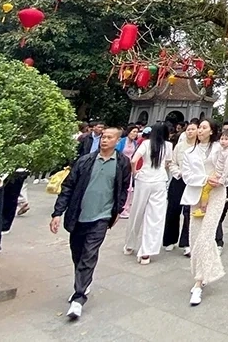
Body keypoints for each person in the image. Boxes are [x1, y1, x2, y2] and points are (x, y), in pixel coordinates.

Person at [50, 127, 131, 320]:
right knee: (77, 253)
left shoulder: (122, 163)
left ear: (117, 141)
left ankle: (78, 297)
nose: (105, 140)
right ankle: (84, 282)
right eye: (103, 137)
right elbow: (68, 186)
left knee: (89, 254)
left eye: (110, 137)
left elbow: (123, 188)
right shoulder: (85, 161)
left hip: (102, 217)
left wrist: (118, 210)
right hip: (79, 215)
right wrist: (57, 213)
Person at [180, 120, 228, 306]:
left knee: (205, 235)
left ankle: (198, 283)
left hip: (216, 194)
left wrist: (223, 180)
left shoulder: (220, 147)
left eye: (203, 127)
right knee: (195, 237)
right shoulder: (188, 152)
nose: (199, 130)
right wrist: (205, 178)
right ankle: (205, 272)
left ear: (211, 131)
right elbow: (187, 175)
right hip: (197, 194)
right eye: (198, 128)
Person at [123, 121, 172, 264]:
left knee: (137, 212)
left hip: (144, 178)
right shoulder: (168, 146)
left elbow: (133, 160)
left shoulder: (145, 144)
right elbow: (168, 162)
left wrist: (135, 173)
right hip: (160, 180)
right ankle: (146, 252)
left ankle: (130, 245)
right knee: (155, 217)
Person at [163, 123, 196, 254]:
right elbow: (172, 162)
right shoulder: (179, 146)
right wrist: (178, 173)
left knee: (189, 212)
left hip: (192, 182)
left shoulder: (199, 148)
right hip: (178, 180)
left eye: (193, 129)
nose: (190, 132)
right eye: (188, 129)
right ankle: (169, 240)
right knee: (173, 210)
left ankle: (187, 243)